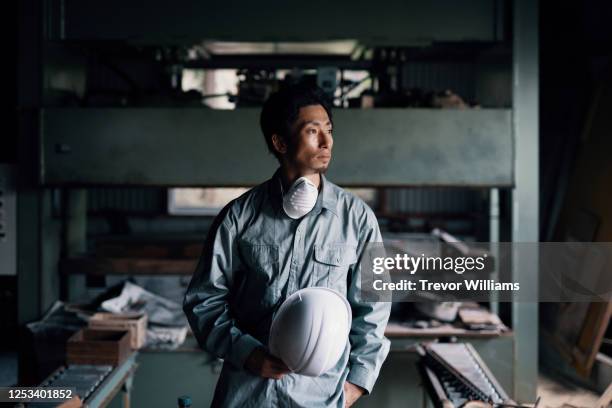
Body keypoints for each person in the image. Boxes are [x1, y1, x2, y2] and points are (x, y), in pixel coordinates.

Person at [183, 83, 391, 407]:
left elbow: (374, 308)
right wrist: (247, 354)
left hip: (321, 398)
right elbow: (204, 301)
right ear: (280, 142)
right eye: (313, 131)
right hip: (248, 394)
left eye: (329, 130)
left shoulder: (358, 219)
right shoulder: (239, 217)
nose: (327, 141)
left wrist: (355, 385)